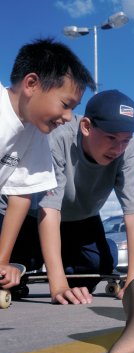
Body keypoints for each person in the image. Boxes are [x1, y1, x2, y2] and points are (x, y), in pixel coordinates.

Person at [0, 89, 134, 305]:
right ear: (86, 127)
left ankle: (73, 256)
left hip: (82, 218)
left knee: (99, 267)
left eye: (125, 140)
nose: (118, 148)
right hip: (32, 217)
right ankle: (29, 262)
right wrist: (57, 284)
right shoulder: (59, 137)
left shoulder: (128, 149)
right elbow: (49, 209)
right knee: (14, 267)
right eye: (111, 137)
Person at [0, 38, 95, 290]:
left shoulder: (35, 134)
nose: (68, 117)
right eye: (65, 105)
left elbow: (21, 194)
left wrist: (2, 262)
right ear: (31, 84)